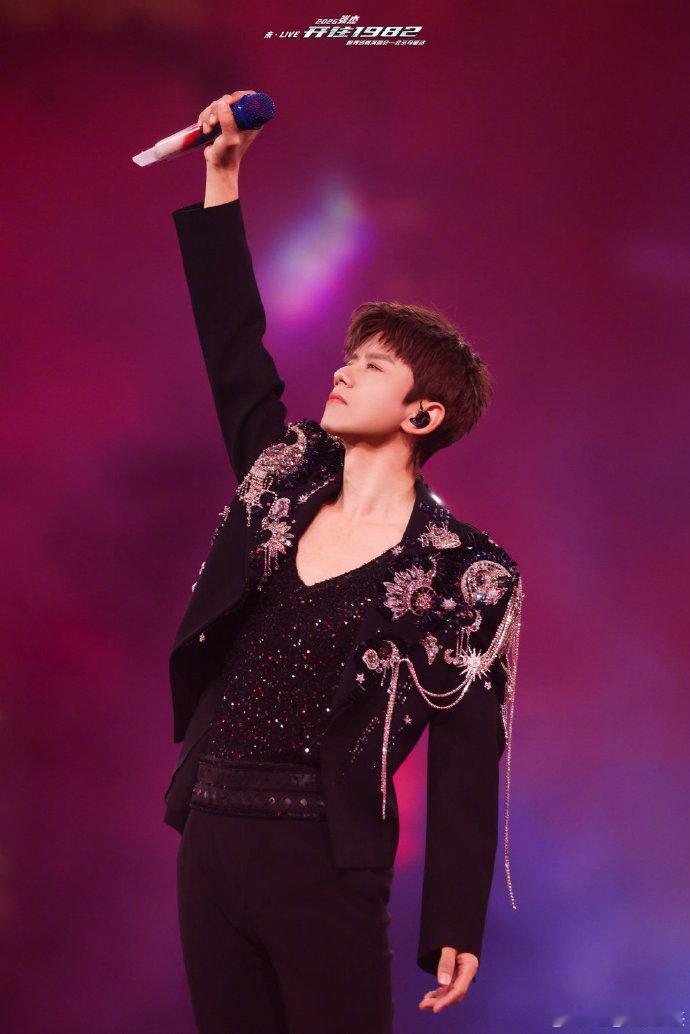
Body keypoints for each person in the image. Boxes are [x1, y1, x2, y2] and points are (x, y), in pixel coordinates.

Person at [164, 91, 524, 1034]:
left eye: (373, 366)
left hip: (323, 858)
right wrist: (222, 175)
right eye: (350, 355)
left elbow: (468, 754)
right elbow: (232, 348)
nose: (343, 369)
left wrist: (454, 920)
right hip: (212, 831)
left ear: (422, 414)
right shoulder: (281, 477)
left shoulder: (467, 573)